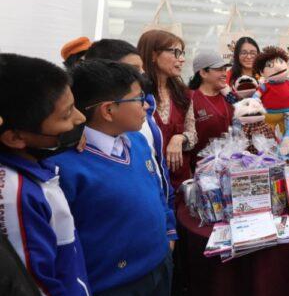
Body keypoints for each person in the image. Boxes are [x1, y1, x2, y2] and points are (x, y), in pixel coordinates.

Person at [48, 59, 175, 296]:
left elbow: (157, 188)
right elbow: (55, 247)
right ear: (108, 110)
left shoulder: (137, 141)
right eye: (138, 98)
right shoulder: (63, 168)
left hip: (157, 271)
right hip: (113, 292)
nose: (147, 105)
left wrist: (168, 236)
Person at [0, 53, 99, 296]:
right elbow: (37, 290)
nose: (80, 119)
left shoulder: (35, 168)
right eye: (66, 114)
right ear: (15, 137)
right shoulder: (13, 194)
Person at [85, 38, 174, 215]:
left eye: (141, 68)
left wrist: (167, 224)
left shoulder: (140, 123)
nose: (143, 75)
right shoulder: (76, 157)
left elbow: (154, 170)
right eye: (133, 69)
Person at [137, 30, 197, 193]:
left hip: (180, 181)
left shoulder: (183, 94)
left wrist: (179, 138)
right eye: (175, 52)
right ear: (153, 55)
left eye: (182, 53)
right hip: (149, 180)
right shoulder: (137, 94)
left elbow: (192, 134)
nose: (182, 59)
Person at [188, 50, 235, 160]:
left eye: (225, 70)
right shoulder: (190, 99)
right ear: (203, 73)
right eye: (219, 70)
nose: (224, 74)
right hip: (202, 168)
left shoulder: (229, 96)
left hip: (230, 164)